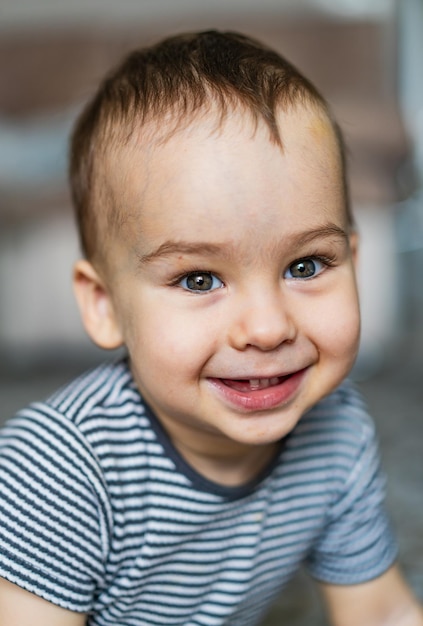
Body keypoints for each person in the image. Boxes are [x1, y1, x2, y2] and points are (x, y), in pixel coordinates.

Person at [0, 30, 421, 626]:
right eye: (200, 279)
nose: (269, 328)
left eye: (306, 266)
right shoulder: (62, 469)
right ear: (104, 305)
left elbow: (381, 613)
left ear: (353, 258)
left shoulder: (338, 431)